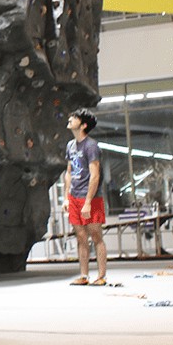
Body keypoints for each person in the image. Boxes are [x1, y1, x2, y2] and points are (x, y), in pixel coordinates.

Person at [63, 108, 107, 286]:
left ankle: (101, 276)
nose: (70, 119)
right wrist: (66, 197)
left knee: (96, 236)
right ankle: (84, 275)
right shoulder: (70, 146)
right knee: (80, 236)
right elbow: (68, 172)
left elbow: (95, 175)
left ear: (83, 125)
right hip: (74, 197)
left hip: (91, 197)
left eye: (74, 118)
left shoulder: (91, 146)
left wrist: (88, 201)